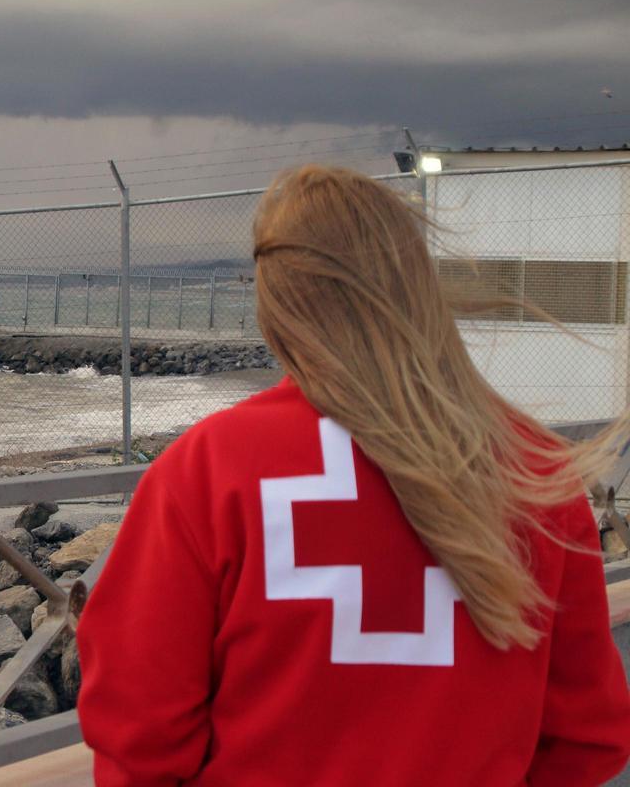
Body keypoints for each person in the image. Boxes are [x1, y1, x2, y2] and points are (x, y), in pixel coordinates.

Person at [77, 165, 630, 786]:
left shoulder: (206, 471)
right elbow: (589, 737)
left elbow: (139, 737)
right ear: (417, 284)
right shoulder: (535, 471)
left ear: (275, 302)